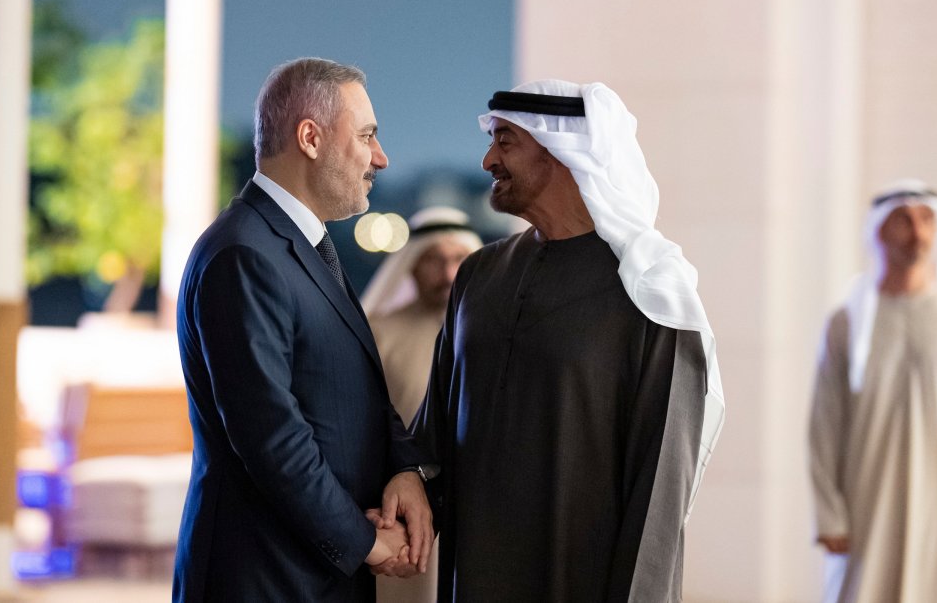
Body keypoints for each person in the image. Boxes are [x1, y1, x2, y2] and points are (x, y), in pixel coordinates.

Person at [412, 81, 725, 602]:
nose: (488, 159)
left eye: (506, 141)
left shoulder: (651, 289)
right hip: (475, 574)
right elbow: (435, 432)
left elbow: (660, 488)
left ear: (559, 151)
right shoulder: (478, 274)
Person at [173, 57, 434, 602]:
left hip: (308, 575)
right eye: (366, 136)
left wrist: (404, 467)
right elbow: (272, 438)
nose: (381, 158)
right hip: (262, 577)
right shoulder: (244, 253)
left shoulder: (301, 246)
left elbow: (354, 389)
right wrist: (365, 542)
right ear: (310, 137)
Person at [808, 179, 937, 603]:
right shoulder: (847, 325)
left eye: (926, 220)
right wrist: (830, 516)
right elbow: (824, 426)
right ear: (878, 230)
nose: (916, 232)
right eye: (902, 220)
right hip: (866, 514)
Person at [360, 206, 482, 603]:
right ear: (410, 266)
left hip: (475, 507)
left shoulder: (488, 331)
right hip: (398, 509)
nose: (448, 273)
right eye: (434, 260)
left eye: (458, 260)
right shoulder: (378, 332)